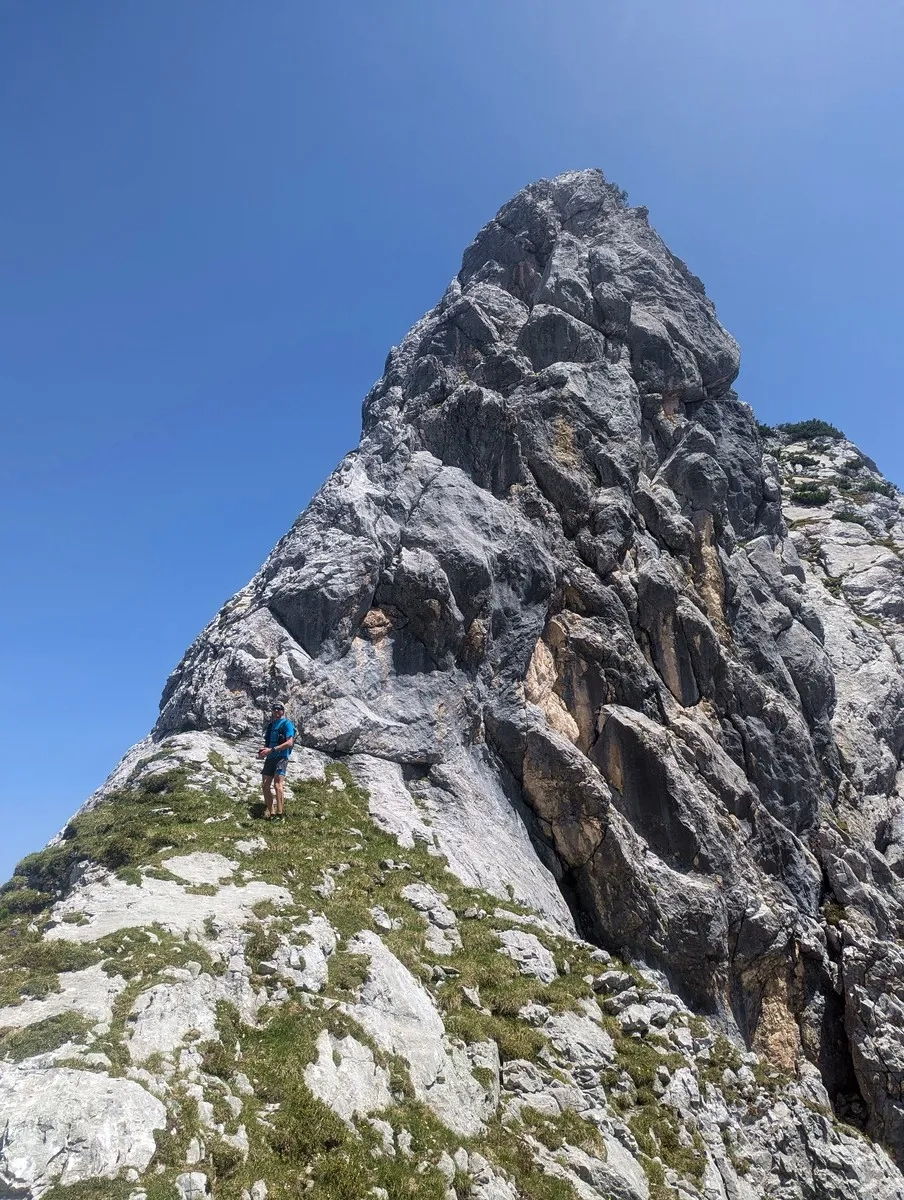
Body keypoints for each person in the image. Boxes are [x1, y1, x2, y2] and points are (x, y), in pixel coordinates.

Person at [258, 702, 295, 820]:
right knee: (265, 785)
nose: (276, 711)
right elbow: (268, 743)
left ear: (283, 711)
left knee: (278, 784)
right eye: (274, 709)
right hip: (270, 757)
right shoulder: (271, 726)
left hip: (281, 757)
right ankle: (272, 813)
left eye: (279, 709)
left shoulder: (287, 724)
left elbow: (289, 743)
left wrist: (271, 750)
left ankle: (280, 814)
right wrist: (264, 752)